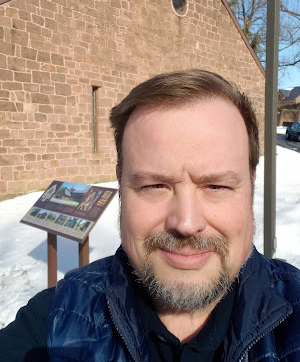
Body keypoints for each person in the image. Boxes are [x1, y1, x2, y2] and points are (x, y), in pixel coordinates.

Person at [1, 70, 299, 362]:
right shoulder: (54, 321)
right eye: (155, 185)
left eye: (215, 186)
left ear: (251, 184)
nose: (185, 223)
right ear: (121, 184)